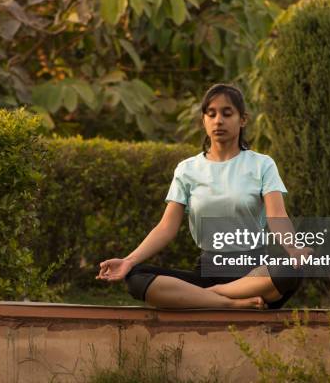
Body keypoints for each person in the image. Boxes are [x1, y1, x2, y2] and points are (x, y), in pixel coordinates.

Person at [96, 84, 310, 309]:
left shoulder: (262, 164)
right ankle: (232, 304)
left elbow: (277, 214)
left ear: (243, 119)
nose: (219, 120)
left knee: (287, 270)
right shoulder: (187, 169)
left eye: (227, 114)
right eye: (212, 114)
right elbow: (166, 227)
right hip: (207, 269)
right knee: (136, 278)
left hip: (253, 274)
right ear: (203, 120)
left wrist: (294, 249)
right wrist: (128, 261)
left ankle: (206, 296)